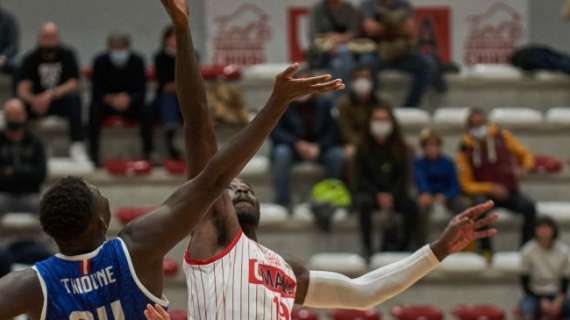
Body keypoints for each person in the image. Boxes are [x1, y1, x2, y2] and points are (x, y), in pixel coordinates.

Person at [160, 2, 497, 318]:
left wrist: (438, 249)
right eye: (232, 188)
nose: (243, 190)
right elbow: (198, 123)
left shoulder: (283, 269)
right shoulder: (212, 231)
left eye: (246, 186)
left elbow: (363, 292)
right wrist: (183, 30)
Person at [0, 15, 341, 320]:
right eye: (99, 194)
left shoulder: (31, 284)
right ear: (102, 220)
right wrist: (275, 105)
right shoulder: (136, 247)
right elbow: (213, 171)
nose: (104, 196)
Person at [456, 108, 537, 254]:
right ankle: (486, 249)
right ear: (469, 127)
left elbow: (525, 154)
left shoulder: (503, 137)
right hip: (485, 195)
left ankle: (525, 249)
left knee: (529, 207)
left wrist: (525, 167)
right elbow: (466, 184)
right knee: (478, 208)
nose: (479, 128)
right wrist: (490, 187)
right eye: (474, 125)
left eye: (481, 123)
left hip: (508, 191)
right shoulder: (465, 148)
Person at [270, 71, 345, 207]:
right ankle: (283, 199)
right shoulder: (283, 103)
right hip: (293, 148)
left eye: (307, 83)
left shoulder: (324, 104)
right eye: (300, 84)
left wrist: (319, 147)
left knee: (337, 155)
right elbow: (276, 131)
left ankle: (331, 197)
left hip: (318, 148)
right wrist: (297, 144)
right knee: (281, 153)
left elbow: (332, 131)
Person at [17, 22, 88, 163]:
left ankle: (77, 146)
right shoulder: (30, 58)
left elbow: (73, 82)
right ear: (39, 38)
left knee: (74, 99)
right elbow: (22, 88)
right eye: (45, 37)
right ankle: (21, 148)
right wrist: (33, 100)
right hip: (37, 103)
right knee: (17, 106)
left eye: (52, 37)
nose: (49, 40)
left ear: (58, 38)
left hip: (59, 101)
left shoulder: (68, 55)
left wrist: (50, 95)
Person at [359, 0, 443, 108]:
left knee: (427, 64)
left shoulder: (403, 4)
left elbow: (409, 29)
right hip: (378, 53)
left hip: (402, 53)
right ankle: (373, 107)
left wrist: (383, 27)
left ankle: (411, 106)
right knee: (365, 62)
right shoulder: (368, 4)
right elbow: (370, 29)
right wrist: (396, 26)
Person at [89, 32, 153, 166]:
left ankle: (149, 152)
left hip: (130, 103)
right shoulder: (99, 61)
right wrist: (111, 99)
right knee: (93, 110)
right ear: (109, 48)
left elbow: (142, 90)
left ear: (128, 47)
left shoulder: (137, 60)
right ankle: (93, 154)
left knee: (146, 110)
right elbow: (95, 91)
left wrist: (128, 98)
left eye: (121, 48)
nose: (118, 51)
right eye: (114, 48)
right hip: (107, 103)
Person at [414, 129, 468, 245]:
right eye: (429, 145)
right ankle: (419, 245)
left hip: (446, 196)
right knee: (420, 207)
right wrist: (425, 193)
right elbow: (420, 180)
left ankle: (461, 242)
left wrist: (445, 195)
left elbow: (455, 185)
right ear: (424, 147)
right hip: (427, 195)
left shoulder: (448, 163)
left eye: (435, 145)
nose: (432, 148)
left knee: (462, 205)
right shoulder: (419, 163)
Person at [0, 98, 47, 216]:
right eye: (10, 115)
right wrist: (25, 172)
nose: (14, 118)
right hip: (4, 194)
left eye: (17, 114)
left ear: (24, 115)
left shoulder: (35, 142)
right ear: (5, 116)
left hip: (30, 195)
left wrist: (13, 171)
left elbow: (40, 174)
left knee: (48, 206)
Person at [519, 217, 570, 320]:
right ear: (535, 230)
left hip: (557, 294)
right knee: (527, 310)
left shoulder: (564, 251)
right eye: (540, 228)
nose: (543, 231)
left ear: (553, 230)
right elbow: (524, 281)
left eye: (546, 228)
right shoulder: (527, 250)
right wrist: (541, 300)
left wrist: (558, 301)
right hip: (534, 294)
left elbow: (565, 279)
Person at [309, 0, 360, 83]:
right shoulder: (318, 9)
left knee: (342, 56)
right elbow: (313, 34)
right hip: (324, 50)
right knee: (339, 61)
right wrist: (329, 42)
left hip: (347, 47)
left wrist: (340, 39)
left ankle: (338, 90)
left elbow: (354, 32)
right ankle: (342, 90)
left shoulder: (349, 8)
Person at [337, 66, 381, 159]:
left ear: (372, 80)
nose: (362, 81)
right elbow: (346, 131)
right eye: (358, 78)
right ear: (352, 81)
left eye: (366, 77)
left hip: (380, 141)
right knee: (349, 154)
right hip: (355, 144)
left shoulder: (381, 102)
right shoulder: (344, 104)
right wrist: (363, 144)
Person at [154, 25, 183, 160]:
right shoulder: (160, 57)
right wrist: (180, 86)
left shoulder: (191, 54)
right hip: (167, 95)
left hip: (186, 94)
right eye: (172, 37)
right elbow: (164, 85)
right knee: (169, 98)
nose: (175, 40)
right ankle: (171, 135)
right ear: (166, 39)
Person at [0, 4, 19, 79]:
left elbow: (13, 45)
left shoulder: (8, 19)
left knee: (18, 68)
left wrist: (3, 57)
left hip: (4, 58)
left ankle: (17, 91)